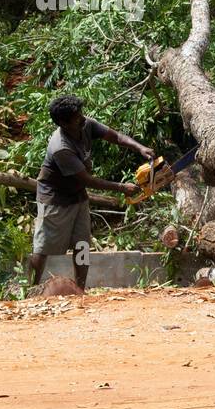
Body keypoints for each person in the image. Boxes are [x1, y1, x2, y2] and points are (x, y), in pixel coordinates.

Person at [27, 94, 154, 289]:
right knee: (43, 247)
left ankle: (80, 288)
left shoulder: (85, 124)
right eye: (78, 117)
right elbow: (87, 179)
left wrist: (139, 148)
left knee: (82, 244)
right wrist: (121, 188)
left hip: (78, 195)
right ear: (63, 122)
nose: (83, 118)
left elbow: (116, 137)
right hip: (54, 199)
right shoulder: (60, 147)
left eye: (81, 114)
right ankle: (30, 289)